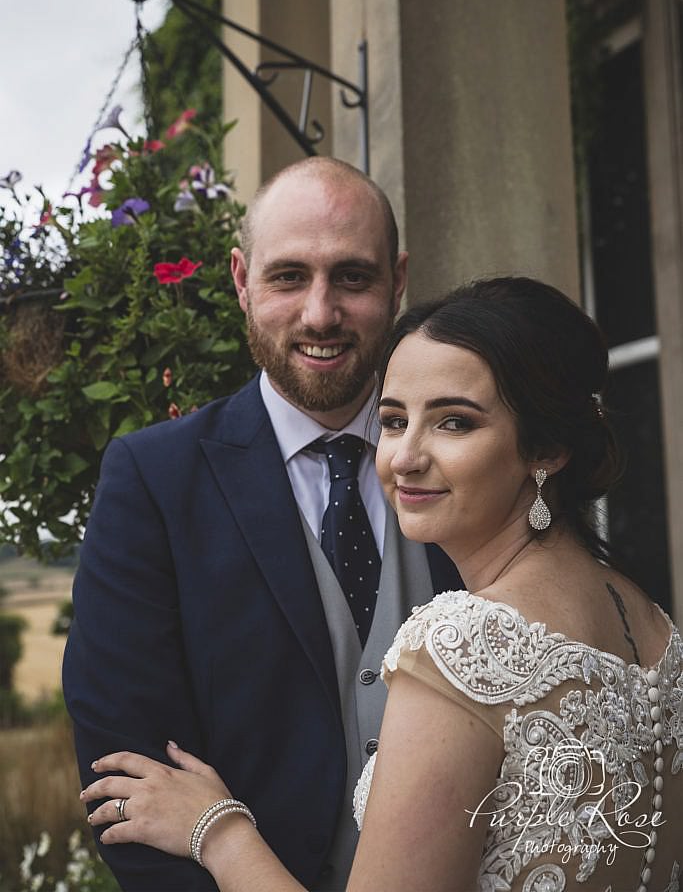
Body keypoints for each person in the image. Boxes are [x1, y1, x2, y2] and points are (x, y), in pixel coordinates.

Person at [80, 276, 683, 892]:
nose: (403, 457)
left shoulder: (461, 648)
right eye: (393, 421)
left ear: (548, 447)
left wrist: (218, 831)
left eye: (454, 423)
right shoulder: (652, 624)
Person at [63, 156, 461, 892]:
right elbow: (125, 780)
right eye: (287, 278)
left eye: (352, 277)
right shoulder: (152, 481)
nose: (318, 313)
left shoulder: (472, 464)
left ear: (397, 281)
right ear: (242, 282)